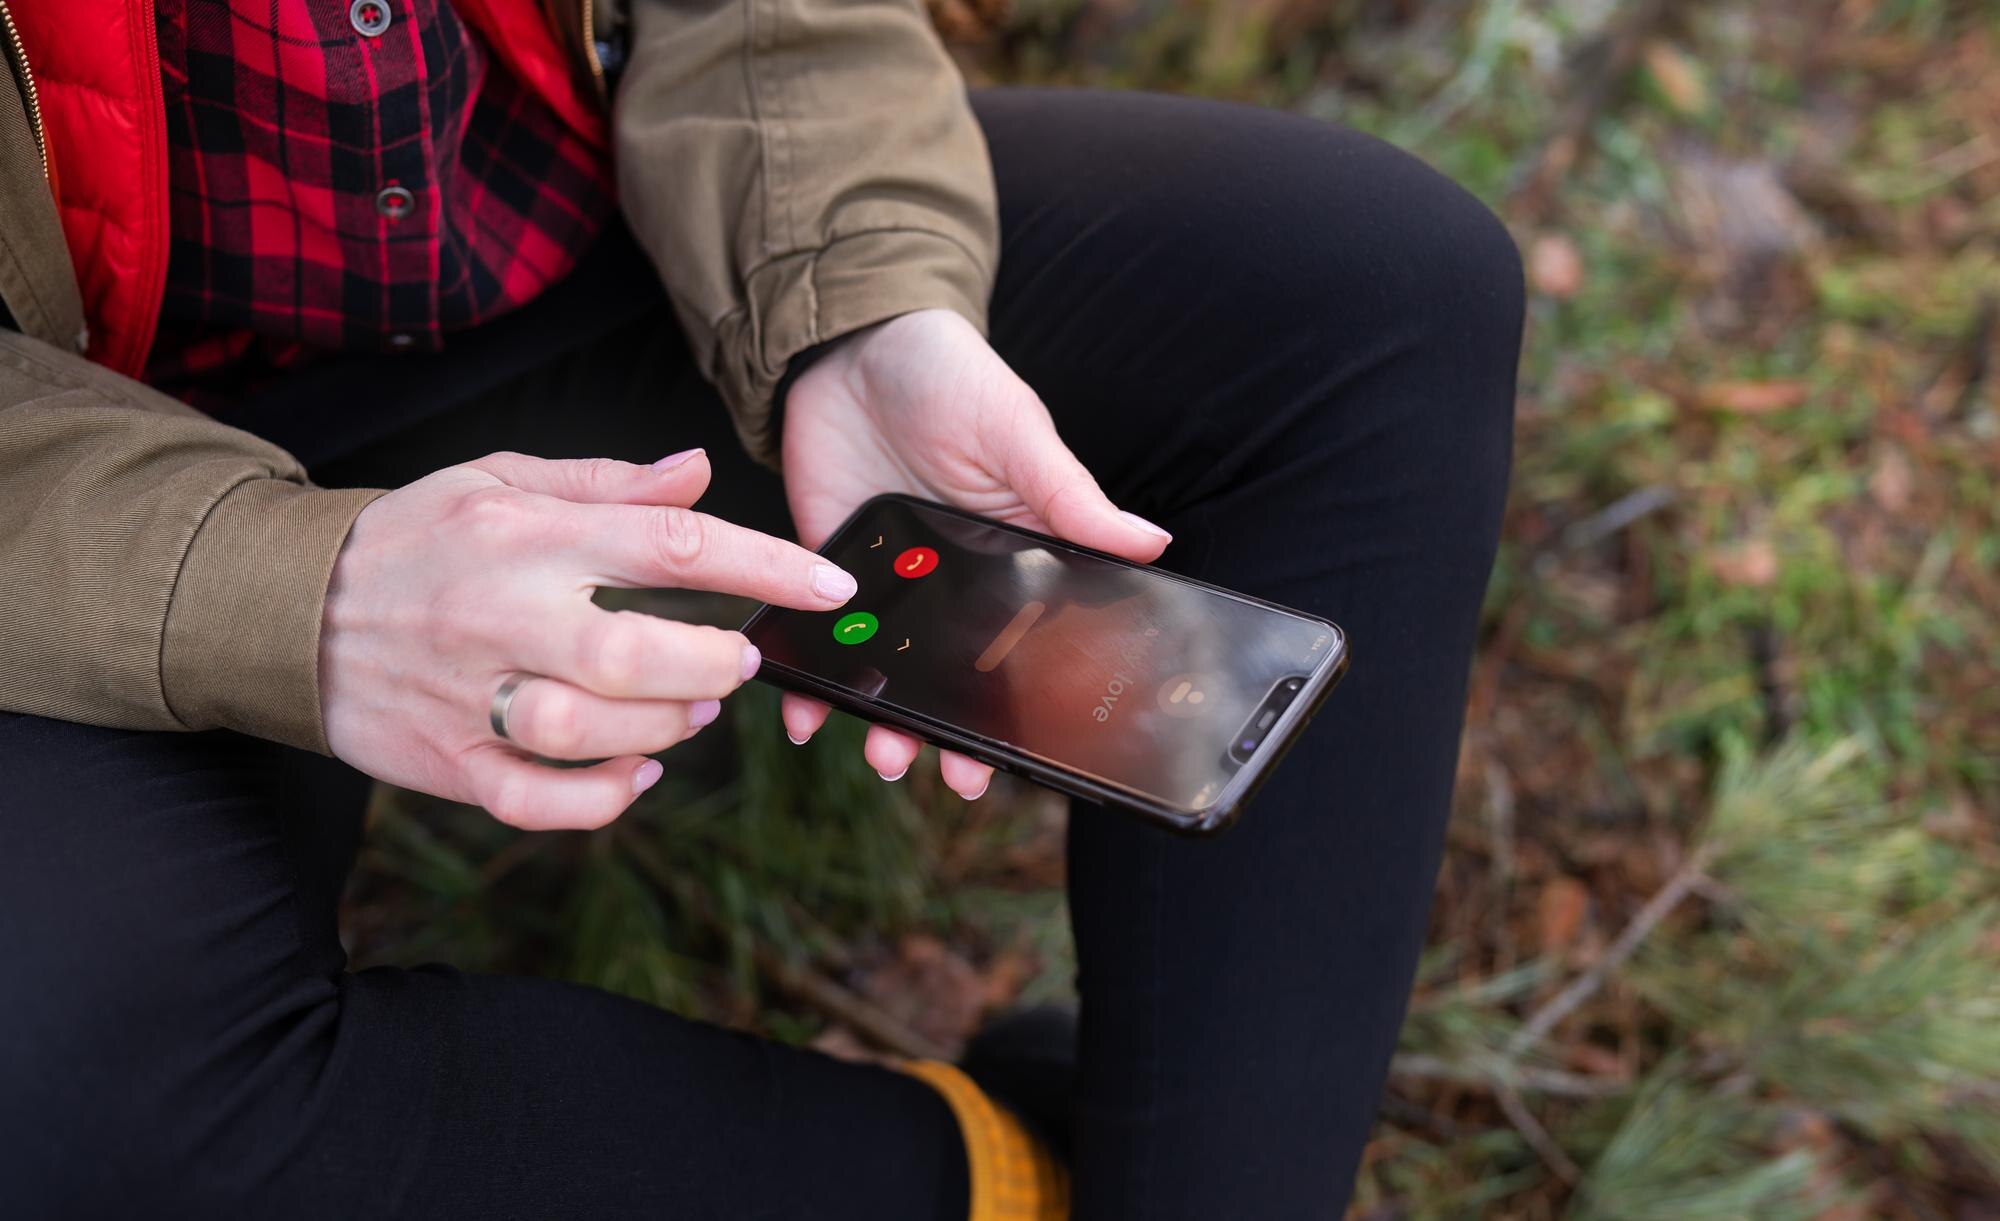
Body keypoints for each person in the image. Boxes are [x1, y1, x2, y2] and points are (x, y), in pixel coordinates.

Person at [0, 0, 1521, 1215]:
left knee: (1380, 291)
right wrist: (273, 587)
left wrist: (854, 298)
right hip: (88, 464)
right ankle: (1010, 1183)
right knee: (76, 1103)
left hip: (594, 247)